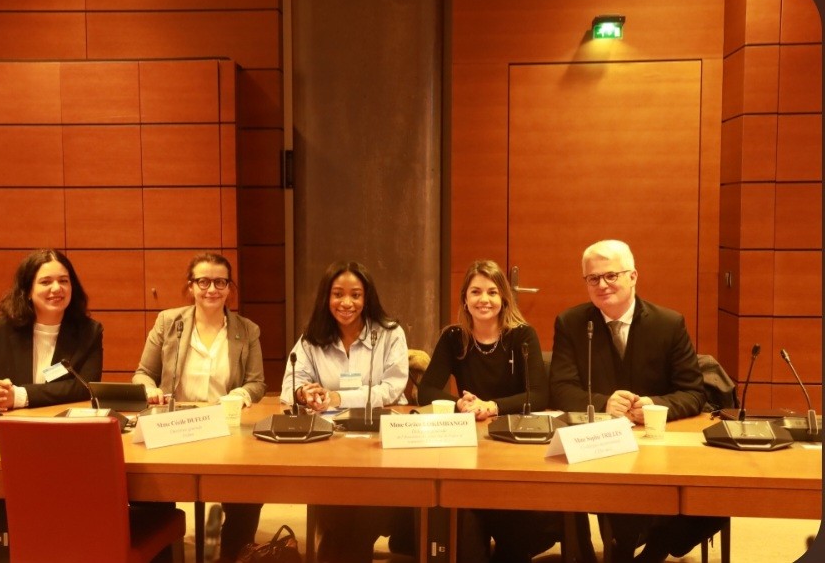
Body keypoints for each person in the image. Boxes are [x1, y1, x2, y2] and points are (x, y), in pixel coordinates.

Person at [549, 239, 726, 562]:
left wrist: (655, 406)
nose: (602, 285)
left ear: (633, 276)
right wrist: (603, 403)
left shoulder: (668, 323)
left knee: (715, 496)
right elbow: (561, 388)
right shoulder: (572, 323)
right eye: (593, 278)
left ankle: (654, 549)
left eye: (611, 275)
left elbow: (693, 392)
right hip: (600, 448)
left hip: (661, 445)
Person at [418, 259, 566, 562]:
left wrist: (492, 406)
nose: (483, 299)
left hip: (513, 441)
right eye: (475, 292)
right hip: (470, 438)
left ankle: (508, 542)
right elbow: (426, 390)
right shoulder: (453, 337)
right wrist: (460, 404)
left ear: (504, 298)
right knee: (464, 503)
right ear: (465, 298)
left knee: (508, 511)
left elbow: (538, 395)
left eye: (492, 292)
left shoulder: (522, 335)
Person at [133, 252, 265, 563]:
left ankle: (232, 554)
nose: (212, 289)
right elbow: (143, 373)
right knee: (149, 491)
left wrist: (239, 395)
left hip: (224, 429)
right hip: (172, 427)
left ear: (229, 288)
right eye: (203, 281)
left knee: (248, 493)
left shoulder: (247, 330)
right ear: (191, 286)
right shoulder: (169, 322)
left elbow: (257, 383)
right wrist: (150, 389)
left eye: (220, 282)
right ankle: (162, 553)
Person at [279, 261, 411, 563]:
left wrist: (338, 397)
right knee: (341, 514)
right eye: (338, 294)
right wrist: (304, 393)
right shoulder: (312, 337)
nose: (347, 303)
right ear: (327, 297)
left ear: (367, 298)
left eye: (356, 295)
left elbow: (392, 389)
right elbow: (290, 385)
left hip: (379, 441)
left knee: (354, 520)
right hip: (332, 443)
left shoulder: (389, 334)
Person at [0, 249, 102, 410]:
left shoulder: (89, 332)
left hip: (58, 421)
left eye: (63, 281)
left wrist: (19, 396)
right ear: (27, 291)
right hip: (5, 421)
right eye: (45, 282)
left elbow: (87, 387)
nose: (56, 288)